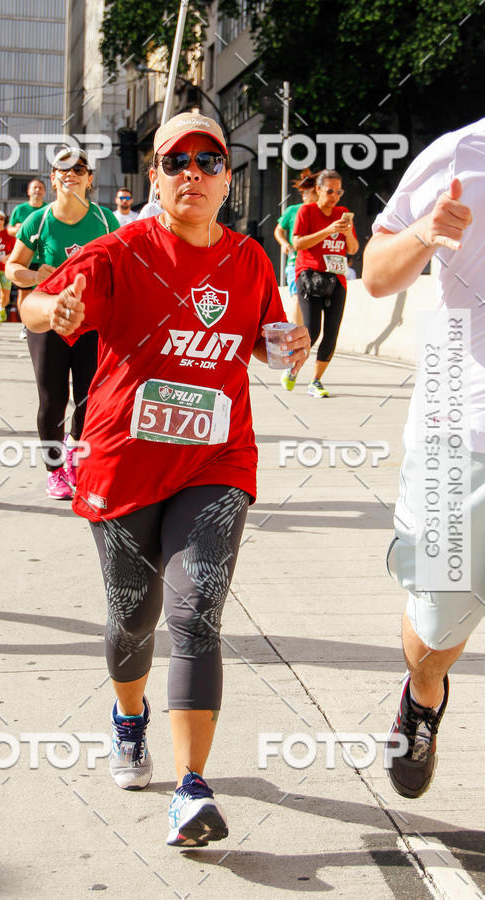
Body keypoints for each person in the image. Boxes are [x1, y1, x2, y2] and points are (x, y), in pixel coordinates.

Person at [20, 112, 310, 847]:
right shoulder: (119, 250)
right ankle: (128, 718)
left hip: (216, 463)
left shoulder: (247, 261)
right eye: (174, 160)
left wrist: (290, 346)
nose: (192, 173)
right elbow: (34, 302)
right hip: (123, 464)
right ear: (154, 176)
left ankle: (191, 788)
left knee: (197, 611)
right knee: (132, 620)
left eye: (208, 161)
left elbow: (269, 347)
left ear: (227, 180)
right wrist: (55, 309)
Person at [363, 118, 484, 799]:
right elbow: (377, 276)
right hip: (460, 427)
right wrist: (426, 232)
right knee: (434, 633)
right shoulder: (462, 152)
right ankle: (424, 692)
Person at [6, 147, 119, 499]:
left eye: (79, 169)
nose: (70, 174)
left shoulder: (104, 221)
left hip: (90, 323)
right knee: (52, 398)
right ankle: (55, 470)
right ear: (53, 178)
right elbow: (11, 266)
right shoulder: (37, 221)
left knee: (89, 397)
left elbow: (122, 266)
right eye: (62, 169)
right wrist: (32, 273)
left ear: (88, 180)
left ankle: (75, 449)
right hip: (47, 321)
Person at [292, 169, 358, 397]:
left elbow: (353, 249)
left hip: (337, 278)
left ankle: (316, 381)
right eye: (330, 191)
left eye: (339, 191)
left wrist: (347, 233)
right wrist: (328, 230)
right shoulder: (306, 211)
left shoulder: (343, 213)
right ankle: (293, 368)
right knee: (312, 330)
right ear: (318, 190)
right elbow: (298, 243)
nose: (335, 196)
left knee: (331, 334)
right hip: (310, 276)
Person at [273, 168, 318, 388]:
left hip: (319, 270)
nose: (317, 196)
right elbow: (279, 230)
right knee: (297, 302)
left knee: (315, 324)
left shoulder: (323, 213)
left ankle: (301, 364)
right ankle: (291, 343)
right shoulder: (294, 211)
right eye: (313, 192)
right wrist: (285, 244)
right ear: (305, 194)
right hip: (296, 265)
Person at [8, 179, 47, 339]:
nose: (37, 190)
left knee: (41, 292)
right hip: (26, 258)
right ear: (28, 191)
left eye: (40, 188)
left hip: (43, 258)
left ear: (45, 192)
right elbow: (9, 229)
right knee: (23, 293)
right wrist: (17, 229)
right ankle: (25, 324)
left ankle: (40, 324)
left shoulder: (48, 209)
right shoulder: (20, 209)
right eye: (34, 188)